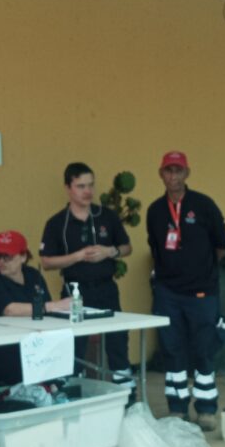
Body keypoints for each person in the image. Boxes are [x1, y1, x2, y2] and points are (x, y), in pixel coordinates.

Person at [146, 151, 225, 432]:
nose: (173, 176)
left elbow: (222, 244)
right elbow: (155, 247)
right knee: (172, 350)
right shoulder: (155, 211)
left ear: (187, 173)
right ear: (161, 174)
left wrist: (201, 271)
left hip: (201, 293)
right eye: (168, 170)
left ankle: (206, 409)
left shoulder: (204, 205)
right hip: (168, 292)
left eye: (178, 170)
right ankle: (177, 407)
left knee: (204, 349)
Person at [40, 162, 134, 396]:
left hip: (106, 288)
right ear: (68, 188)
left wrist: (109, 251)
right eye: (81, 186)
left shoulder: (107, 216)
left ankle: (128, 395)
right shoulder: (57, 222)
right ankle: (74, 393)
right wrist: (78, 256)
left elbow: (127, 247)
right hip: (75, 292)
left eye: (91, 185)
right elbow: (46, 262)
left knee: (117, 341)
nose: (87, 191)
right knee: (74, 344)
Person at [0, 230, 70, 385]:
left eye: (7, 257)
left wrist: (52, 307)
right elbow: (9, 310)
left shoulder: (33, 275)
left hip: (31, 339)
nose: (1, 262)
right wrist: (54, 306)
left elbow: (46, 310)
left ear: (23, 256)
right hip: (0, 345)